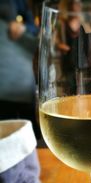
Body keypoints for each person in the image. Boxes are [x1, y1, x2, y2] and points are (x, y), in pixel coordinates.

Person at [0, 0, 40, 137]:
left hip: (21, 84)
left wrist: (25, 28)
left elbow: (35, 30)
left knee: (29, 132)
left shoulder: (17, 2)